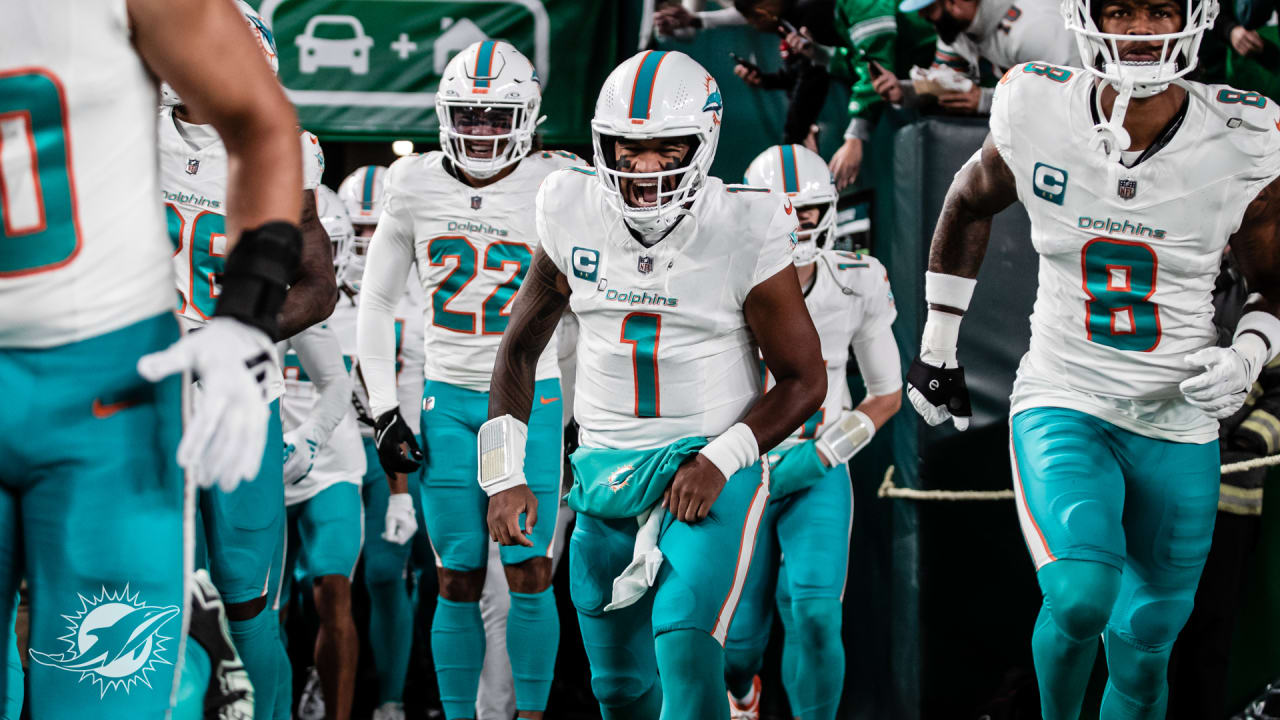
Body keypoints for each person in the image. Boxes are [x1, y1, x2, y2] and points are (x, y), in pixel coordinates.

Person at [905, 0, 1280, 715]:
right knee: (1080, 596)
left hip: (1177, 420)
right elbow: (969, 201)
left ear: (1194, 17)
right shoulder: (1037, 105)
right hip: (1066, 395)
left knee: (1147, 642)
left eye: (1159, 10)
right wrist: (937, 346)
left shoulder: (1244, 134)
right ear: (1085, 15)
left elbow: (1274, 284)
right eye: (1121, 9)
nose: (1140, 29)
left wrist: (1248, 355)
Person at [483, 49, 826, 718]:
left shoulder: (745, 224)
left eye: (667, 149)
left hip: (705, 465)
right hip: (604, 469)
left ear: (704, 143)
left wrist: (720, 459)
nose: (643, 169)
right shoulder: (570, 205)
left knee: (685, 649)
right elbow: (518, 350)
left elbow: (804, 380)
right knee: (619, 689)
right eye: (627, 148)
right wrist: (502, 473)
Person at [0, 0, 305, 715]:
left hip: (110, 383)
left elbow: (260, 121)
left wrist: (245, 316)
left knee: (107, 687)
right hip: (116, 376)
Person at [357, 40, 583, 720]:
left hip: (534, 401)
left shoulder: (559, 183)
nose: (481, 129)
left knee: (530, 571)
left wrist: (581, 408)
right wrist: (384, 410)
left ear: (528, 116)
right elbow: (376, 301)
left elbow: (588, 313)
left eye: (496, 116)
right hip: (449, 401)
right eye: (468, 114)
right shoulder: (414, 183)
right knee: (456, 575)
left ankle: (530, 714)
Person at [157, 3, 338, 717]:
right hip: (151, 393)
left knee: (246, 599)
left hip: (241, 396)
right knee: (158, 588)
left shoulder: (282, 149)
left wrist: (231, 337)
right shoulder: (129, 133)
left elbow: (318, 287)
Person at [724, 144, 902, 720]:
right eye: (783, 208)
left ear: (829, 209)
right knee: (737, 644)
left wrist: (824, 454)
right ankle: (742, 695)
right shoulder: (717, 278)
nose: (797, 222)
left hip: (816, 468)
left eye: (808, 209)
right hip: (738, 470)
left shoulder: (856, 280)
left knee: (817, 614)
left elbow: (886, 394)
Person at [332, 169, 429, 720]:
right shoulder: (329, 292)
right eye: (359, 228)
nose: (368, 242)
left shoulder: (429, 285)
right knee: (356, 575)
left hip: (418, 451)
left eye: (377, 228)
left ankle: (404, 691)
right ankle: (373, 690)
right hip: (351, 446)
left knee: (425, 572)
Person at [279, 317, 362, 720]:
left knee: (333, 589)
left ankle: (338, 712)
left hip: (331, 463)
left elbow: (342, 384)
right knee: (262, 608)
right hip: (261, 462)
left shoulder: (347, 299)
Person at [886, 0, 1076, 114]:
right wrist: (904, 92)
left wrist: (987, 101)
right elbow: (944, 83)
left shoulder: (1032, 28)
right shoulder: (954, 27)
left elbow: (1070, 96)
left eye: (929, 8)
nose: (921, 15)